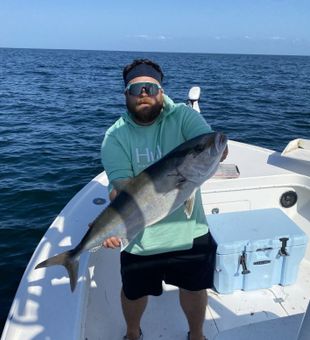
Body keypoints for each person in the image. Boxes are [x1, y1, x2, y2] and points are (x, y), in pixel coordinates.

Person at [100, 59, 227, 340]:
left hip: (189, 231)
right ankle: (133, 333)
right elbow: (119, 190)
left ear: (161, 90)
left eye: (150, 87)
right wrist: (111, 228)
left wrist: (217, 151)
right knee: (133, 292)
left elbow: (210, 144)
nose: (143, 93)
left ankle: (196, 334)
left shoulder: (183, 116)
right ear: (126, 95)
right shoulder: (115, 136)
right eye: (136, 88)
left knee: (195, 288)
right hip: (139, 239)